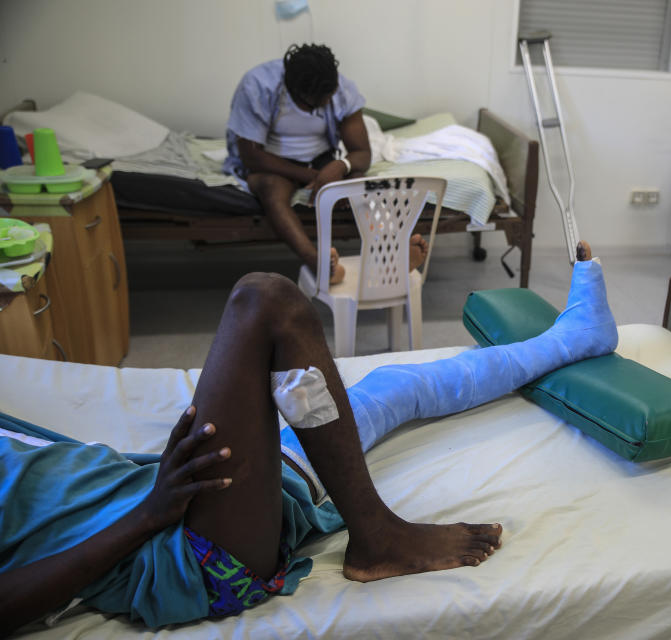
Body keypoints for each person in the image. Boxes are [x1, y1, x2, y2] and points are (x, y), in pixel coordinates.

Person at [0, 243, 613, 633]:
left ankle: (574, 338)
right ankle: (378, 537)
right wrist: (148, 515)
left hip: (178, 500)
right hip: (183, 553)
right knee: (265, 302)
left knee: (396, 387)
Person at [223, 43, 429, 282]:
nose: (323, 105)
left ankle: (393, 251)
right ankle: (318, 263)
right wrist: (313, 177)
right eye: (314, 105)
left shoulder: (341, 90)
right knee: (272, 190)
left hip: (322, 159)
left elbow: (362, 152)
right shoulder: (257, 86)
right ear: (293, 91)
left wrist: (339, 167)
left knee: (359, 184)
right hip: (271, 164)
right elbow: (252, 156)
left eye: (328, 99)